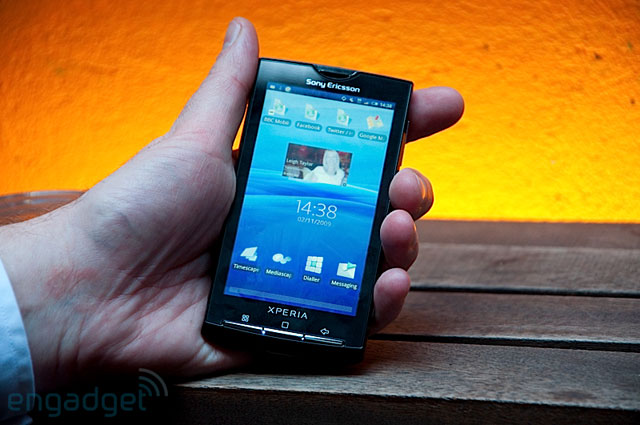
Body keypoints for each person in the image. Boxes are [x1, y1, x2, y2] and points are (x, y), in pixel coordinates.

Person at [0, 17, 463, 421]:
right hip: (231, 313)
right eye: (323, 160)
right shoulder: (308, 176)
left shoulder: (327, 180)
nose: (328, 164)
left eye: (333, 162)